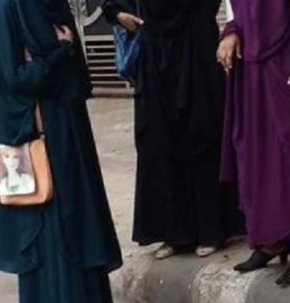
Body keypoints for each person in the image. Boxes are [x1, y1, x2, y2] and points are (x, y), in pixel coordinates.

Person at [0, 0, 123, 303]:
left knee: (78, 223)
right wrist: (60, 53)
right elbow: (14, 78)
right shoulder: (9, 7)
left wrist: (61, 56)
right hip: (43, 135)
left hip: (69, 130)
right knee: (57, 226)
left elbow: (78, 76)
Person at [103, 0, 244, 260]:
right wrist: (118, 13)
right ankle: (174, 233)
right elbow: (113, 6)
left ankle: (211, 229)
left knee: (202, 135)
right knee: (158, 141)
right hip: (155, 55)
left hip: (195, 49)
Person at [218, 0, 290, 286]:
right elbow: (245, 12)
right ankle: (273, 239)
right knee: (258, 159)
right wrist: (231, 32)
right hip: (253, 77)